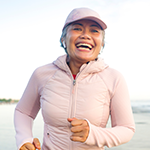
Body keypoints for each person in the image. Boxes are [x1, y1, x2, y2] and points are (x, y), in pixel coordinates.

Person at [14, 7, 135, 150]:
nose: (86, 35)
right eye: (77, 28)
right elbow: (23, 112)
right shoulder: (41, 74)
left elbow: (126, 128)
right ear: (63, 39)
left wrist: (94, 134)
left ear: (102, 43)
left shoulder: (114, 78)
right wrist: (24, 139)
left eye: (94, 30)